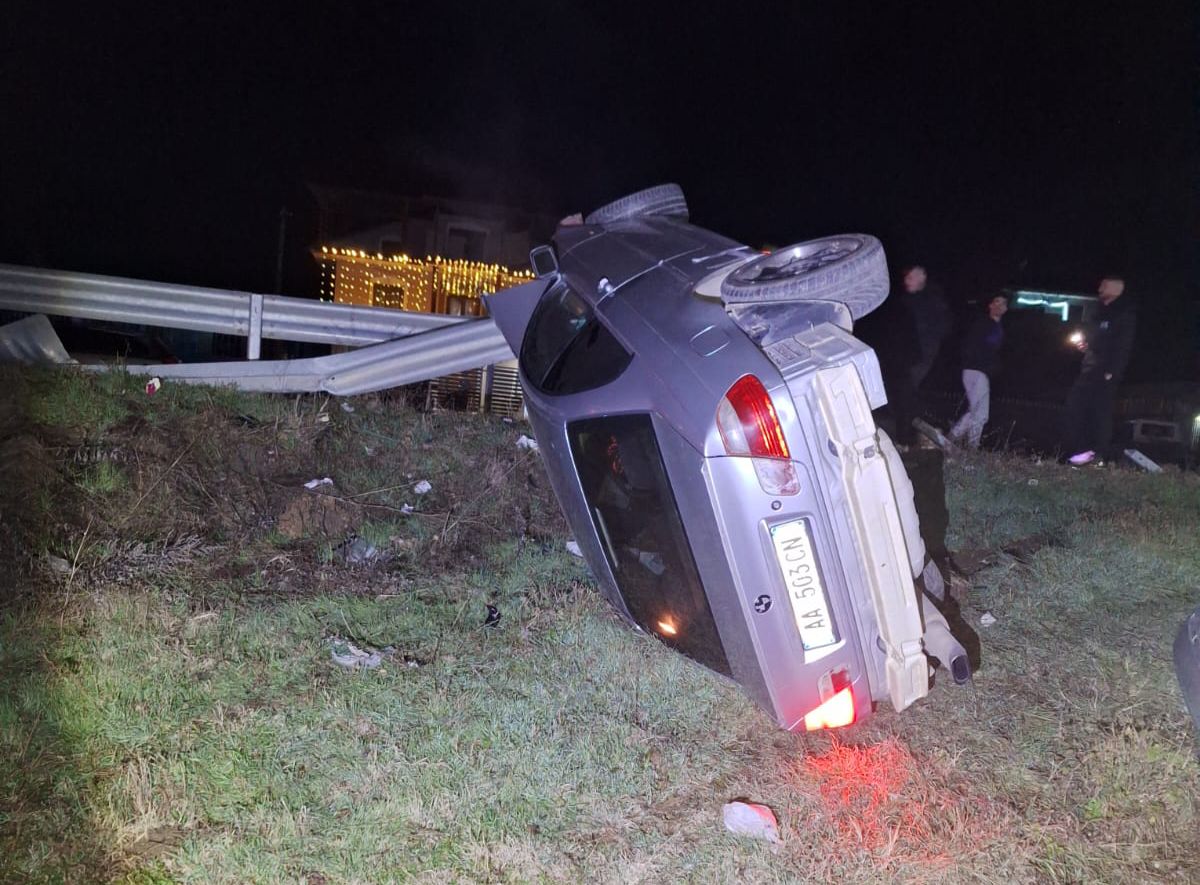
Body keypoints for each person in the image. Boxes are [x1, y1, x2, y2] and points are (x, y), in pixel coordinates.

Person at [1064, 276, 1137, 465]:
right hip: (1088, 369)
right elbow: (1094, 339)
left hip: (1104, 373)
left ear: (1116, 289)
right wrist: (1084, 344)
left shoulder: (1123, 314)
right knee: (1075, 408)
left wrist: (1111, 371)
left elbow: (1123, 346)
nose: (1099, 288)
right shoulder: (1098, 312)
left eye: (1104, 285)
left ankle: (1098, 455)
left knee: (1100, 412)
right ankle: (1081, 451)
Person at [949, 294, 1008, 449]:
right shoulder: (984, 324)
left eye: (1002, 304)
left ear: (1005, 309)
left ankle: (953, 436)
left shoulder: (997, 328)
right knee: (981, 414)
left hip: (977, 371)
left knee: (974, 410)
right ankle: (972, 446)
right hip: (976, 371)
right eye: (996, 302)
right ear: (990, 305)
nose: (999, 306)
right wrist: (983, 364)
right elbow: (974, 346)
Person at [901, 265, 951, 389]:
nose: (906, 281)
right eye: (906, 278)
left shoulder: (933, 299)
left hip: (921, 352)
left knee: (908, 385)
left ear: (922, 278)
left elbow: (943, 325)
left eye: (910, 277)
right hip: (905, 352)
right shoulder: (905, 300)